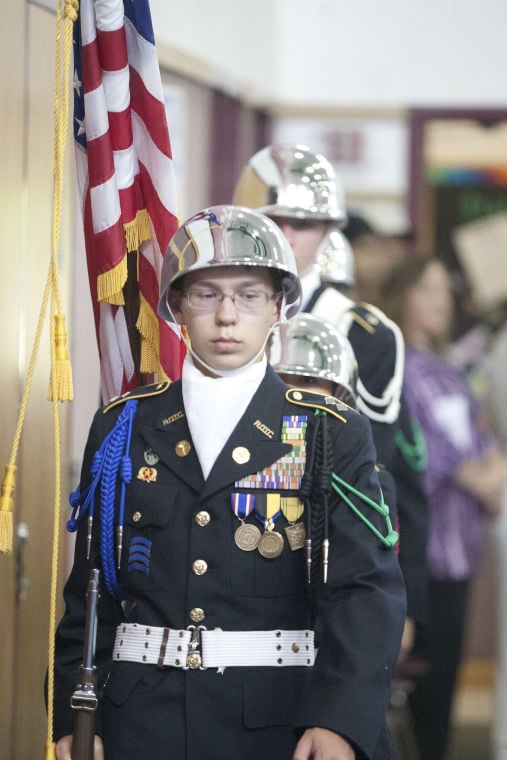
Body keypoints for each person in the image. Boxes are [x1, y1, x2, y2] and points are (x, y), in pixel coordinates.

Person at [51, 205, 406, 760]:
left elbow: (365, 592)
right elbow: (91, 590)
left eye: (249, 296)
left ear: (277, 309)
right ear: (176, 307)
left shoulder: (326, 430)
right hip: (142, 721)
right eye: (206, 295)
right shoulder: (125, 425)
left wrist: (341, 719)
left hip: (278, 720)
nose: (226, 317)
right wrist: (75, 712)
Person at [381, 254, 506, 760]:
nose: (440, 301)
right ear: (401, 296)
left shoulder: (451, 368)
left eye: (444, 290)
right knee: (420, 694)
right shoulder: (398, 369)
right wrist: (480, 473)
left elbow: (484, 440)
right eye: (425, 289)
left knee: (443, 696)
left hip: (459, 552)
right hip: (419, 553)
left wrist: (487, 472)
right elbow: (434, 456)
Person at [233, 143, 404, 468]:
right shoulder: (213, 315)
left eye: (303, 224)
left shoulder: (363, 332)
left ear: (328, 230)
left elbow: (370, 462)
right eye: (273, 219)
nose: (285, 234)